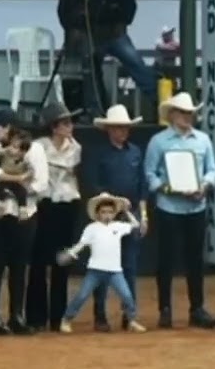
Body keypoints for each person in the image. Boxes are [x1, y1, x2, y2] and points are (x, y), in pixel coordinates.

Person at [58, 0, 158, 115]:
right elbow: (64, 8)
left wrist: (124, 22)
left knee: (136, 63)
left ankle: (159, 101)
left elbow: (129, 3)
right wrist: (72, 30)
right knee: (90, 70)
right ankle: (95, 111)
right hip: (90, 33)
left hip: (114, 33)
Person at [144, 92, 215, 329]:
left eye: (190, 113)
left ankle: (197, 307)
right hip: (169, 206)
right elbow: (150, 173)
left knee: (195, 260)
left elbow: (212, 171)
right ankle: (165, 309)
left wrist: (204, 186)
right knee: (166, 259)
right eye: (184, 113)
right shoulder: (158, 141)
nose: (188, 117)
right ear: (173, 115)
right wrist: (167, 188)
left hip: (196, 206)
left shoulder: (203, 140)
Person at [0, 111, 47, 336]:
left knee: (19, 266)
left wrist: (22, 187)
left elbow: (41, 181)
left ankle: (17, 315)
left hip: (24, 213)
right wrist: (16, 180)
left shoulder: (35, 149)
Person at [85, 105, 149, 331]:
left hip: (129, 217)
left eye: (125, 128)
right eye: (118, 128)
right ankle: (100, 314)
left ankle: (128, 314)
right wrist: (113, 201)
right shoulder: (98, 153)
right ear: (109, 129)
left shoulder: (135, 152)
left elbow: (142, 186)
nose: (122, 132)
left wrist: (143, 216)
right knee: (102, 265)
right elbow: (94, 184)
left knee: (129, 266)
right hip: (106, 216)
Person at [28, 103, 84, 332]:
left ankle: (58, 317)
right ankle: (35, 317)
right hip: (45, 205)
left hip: (67, 206)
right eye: (65, 123)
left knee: (63, 261)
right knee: (39, 262)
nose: (70, 126)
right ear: (54, 127)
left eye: (70, 122)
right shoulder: (39, 147)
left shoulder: (76, 148)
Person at [56, 193, 145, 333]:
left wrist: (126, 211)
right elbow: (81, 244)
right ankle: (66, 320)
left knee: (127, 296)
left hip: (115, 271)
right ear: (97, 214)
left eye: (110, 212)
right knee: (81, 296)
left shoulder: (119, 226)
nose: (107, 215)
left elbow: (136, 225)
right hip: (95, 271)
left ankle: (132, 321)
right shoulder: (91, 228)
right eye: (103, 212)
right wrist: (71, 253)